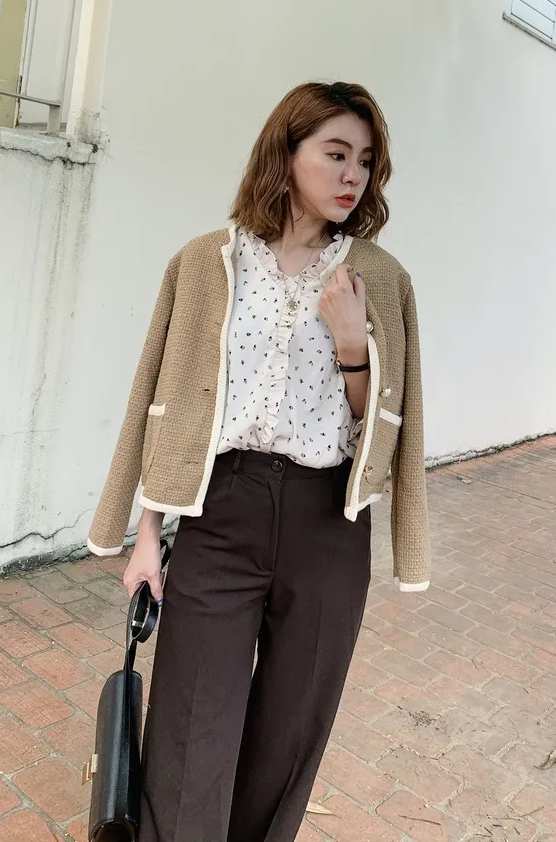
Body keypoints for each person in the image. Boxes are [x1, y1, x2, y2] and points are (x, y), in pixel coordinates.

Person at [87, 81, 431, 842]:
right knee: (191, 722)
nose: (352, 175)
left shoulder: (379, 277)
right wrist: (148, 534)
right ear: (287, 151)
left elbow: (381, 425)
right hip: (223, 511)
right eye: (335, 153)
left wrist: (353, 343)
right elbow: (167, 400)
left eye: (365, 160)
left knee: (289, 730)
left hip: (327, 522)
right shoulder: (205, 262)